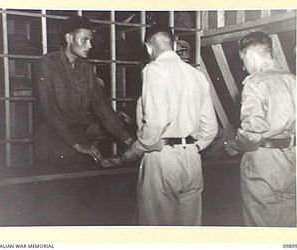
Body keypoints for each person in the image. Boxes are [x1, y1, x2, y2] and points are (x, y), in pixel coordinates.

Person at [122, 25, 218, 225]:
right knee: (189, 229)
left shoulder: (154, 69)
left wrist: (138, 148)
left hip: (162, 156)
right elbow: (210, 128)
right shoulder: (197, 75)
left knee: (158, 231)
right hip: (192, 159)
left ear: (148, 47)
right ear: (174, 44)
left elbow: (156, 121)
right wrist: (194, 147)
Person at [34, 15, 133, 165]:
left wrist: (129, 140)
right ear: (69, 38)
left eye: (90, 40)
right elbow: (50, 110)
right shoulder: (47, 64)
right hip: (52, 141)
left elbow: (102, 107)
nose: (90, 46)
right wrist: (75, 144)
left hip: (80, 140)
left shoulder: (86, 68)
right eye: (84, 40)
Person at [224, 31, 296, 227]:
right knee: (289, 224)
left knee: (261, 226)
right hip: (293, 160)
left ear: (250, 55)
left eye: (243, 60)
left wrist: (235, 145)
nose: (243, 67)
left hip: (264, 163)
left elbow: (252, 134)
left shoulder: (255, 83)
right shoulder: (294, 80)